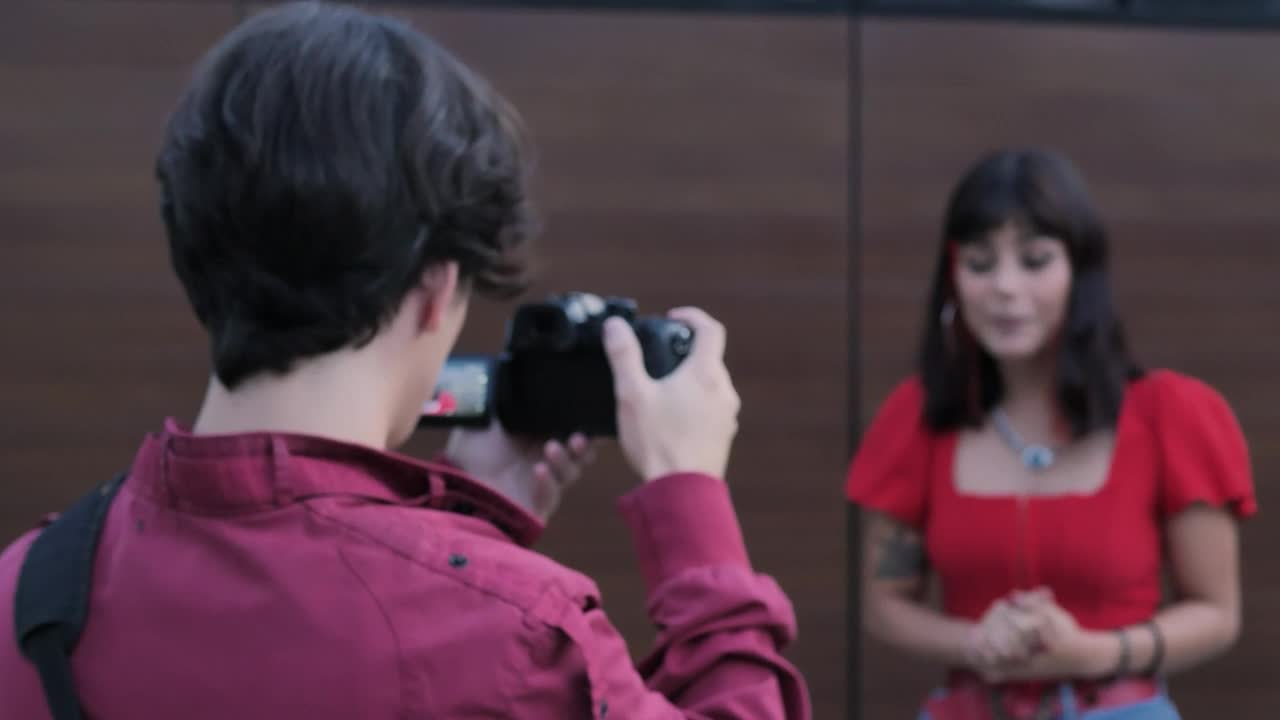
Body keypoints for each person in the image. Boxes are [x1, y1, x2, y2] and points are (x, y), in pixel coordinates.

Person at [0, 3, 811, 718]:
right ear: (434, 288)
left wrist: (472, 523)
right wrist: (688, 495)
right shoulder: (518, 636)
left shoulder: (25, 594)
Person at [846, 148, 1255, 719]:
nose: (1005, 287)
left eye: (1034, 260)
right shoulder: (920, 416)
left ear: (1080, 272)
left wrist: (1094, 653)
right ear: (953, 280)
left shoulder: (1172, 413)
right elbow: (885, 604)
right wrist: (976, 642)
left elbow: (1216, 611)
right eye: (980, 263)